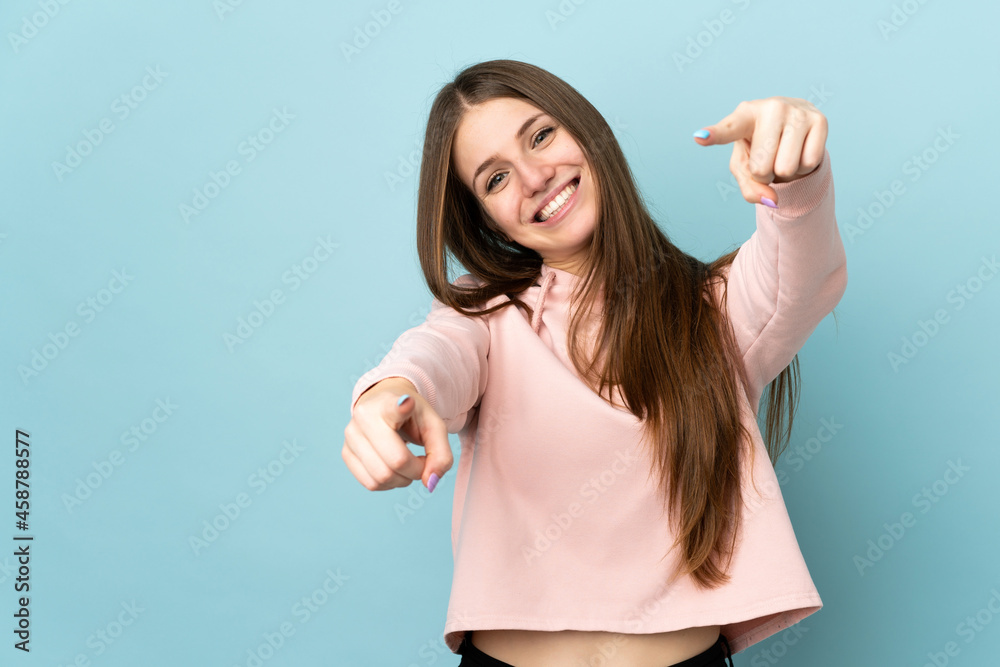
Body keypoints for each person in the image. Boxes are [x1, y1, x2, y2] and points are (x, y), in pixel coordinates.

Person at [344, 59, 847, 667]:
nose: (533, 176)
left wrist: (794, 176)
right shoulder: (485, 316)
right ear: (483, 217)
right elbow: (433, 357)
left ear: (588, 133)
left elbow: (803, 276)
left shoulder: (714, 312)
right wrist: (391, 395)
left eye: (540, 135)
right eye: (495, 178)